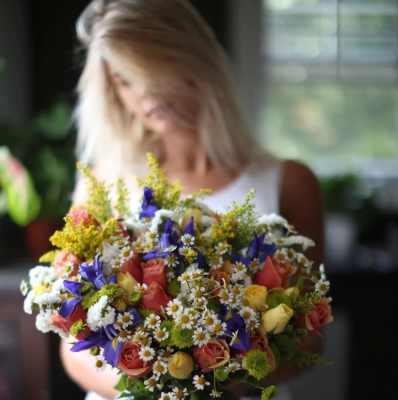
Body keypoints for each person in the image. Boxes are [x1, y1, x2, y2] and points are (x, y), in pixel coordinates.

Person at [60, 1, 324, 399]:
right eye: (125, 79)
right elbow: (70, 342)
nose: (145, 93)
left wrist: (222, 386)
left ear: (192, 58)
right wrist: (151, 391)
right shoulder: (102, 183)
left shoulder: (288, 181)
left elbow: (312, 335)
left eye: (152, 70)